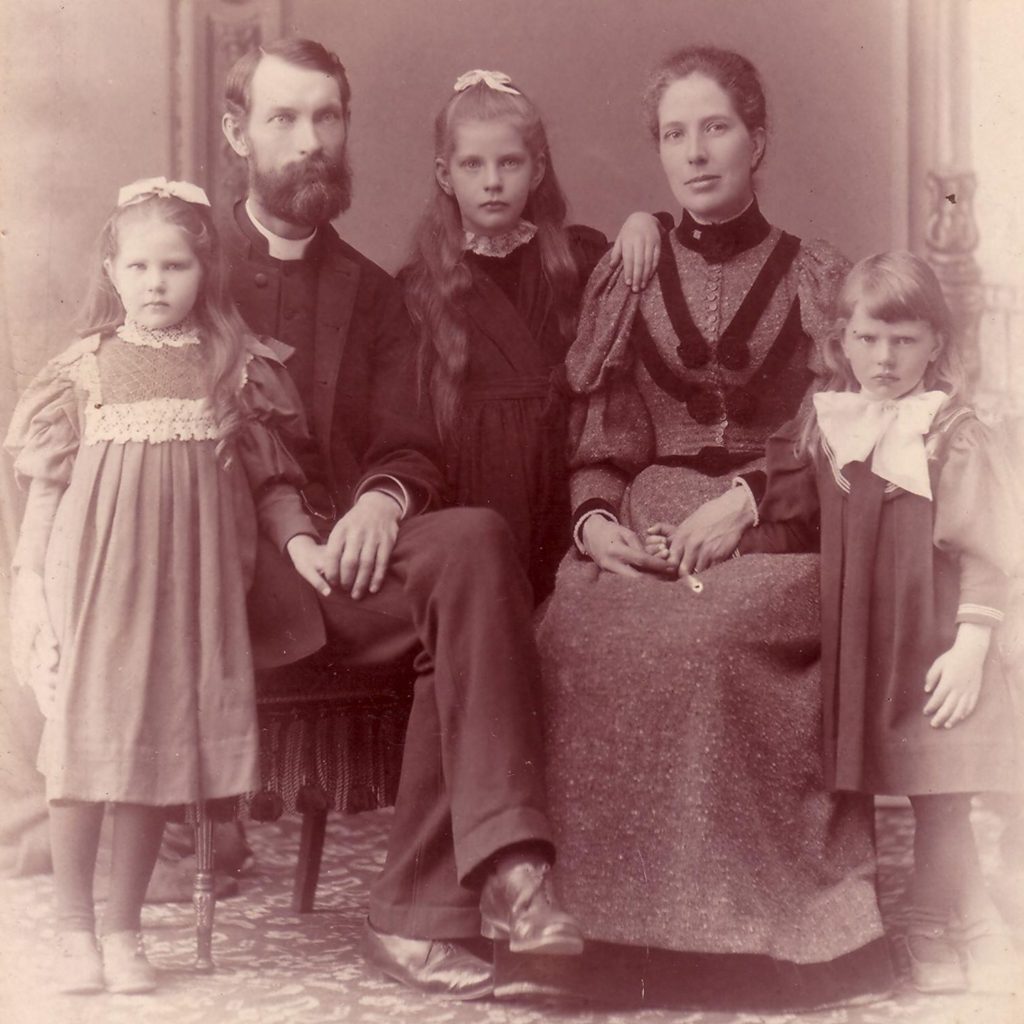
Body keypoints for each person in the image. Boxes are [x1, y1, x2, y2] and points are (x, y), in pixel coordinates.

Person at [217, 39, 583, 999]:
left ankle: (498, 875)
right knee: (465, 588)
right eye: (283, 119)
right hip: (226, 580)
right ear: (236, 133)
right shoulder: (179, 263)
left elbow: (408, 440)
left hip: (350, 573)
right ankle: (447, 896)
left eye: (325, 120)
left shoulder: (375, 292)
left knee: (474, 539)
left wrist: (384, 497)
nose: (309, 143)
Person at [535, 45, 891, 991]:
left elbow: (858, 432)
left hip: (781, 526)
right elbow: (601, 431)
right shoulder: (634, 268)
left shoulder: (820, 275)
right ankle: (609, 936)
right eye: (674, 134)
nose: (696, 153)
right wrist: (595, 520)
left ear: (758, 138)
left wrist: (750, 500)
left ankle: (760, 933)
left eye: (716, 128)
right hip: (656, 517)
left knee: (709, 629)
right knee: (587, 621)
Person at [4, 179, 324, 995]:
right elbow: (45, 491)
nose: (156, 283)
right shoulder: (84, 370)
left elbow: (267, 483)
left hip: (189, 591)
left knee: (146, 762)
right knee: (81, 758)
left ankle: (122, 930)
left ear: (203, 271)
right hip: (97, 587)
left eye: (174, 266)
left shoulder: (232, 368)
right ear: (111, 270)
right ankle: (75, 929)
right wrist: (32, 584)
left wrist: (296, 544)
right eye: (139, 265)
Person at [723, 252, 1021, 994]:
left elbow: (986, 551)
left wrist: (972, 647)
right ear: (841, 343)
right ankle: (915, 921)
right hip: (863, 644)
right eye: (867, 339)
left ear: (935, 345)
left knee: (942, 792)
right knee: (869, 792)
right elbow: (794, 523)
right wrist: (722, 543)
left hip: (937, 641)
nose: (884, 359)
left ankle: (968, 920)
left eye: (904, 340)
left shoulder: (952, 431)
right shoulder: (829, 426)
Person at [401, 70, 663, 600]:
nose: (492, 181)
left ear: (537, 169)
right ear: (445, 174)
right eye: (472, 164)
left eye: (510, 162)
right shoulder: (419, 288)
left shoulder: (579, 257)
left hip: (563, 473)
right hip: (476, 483)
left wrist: (646, 221)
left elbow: (653, 272)